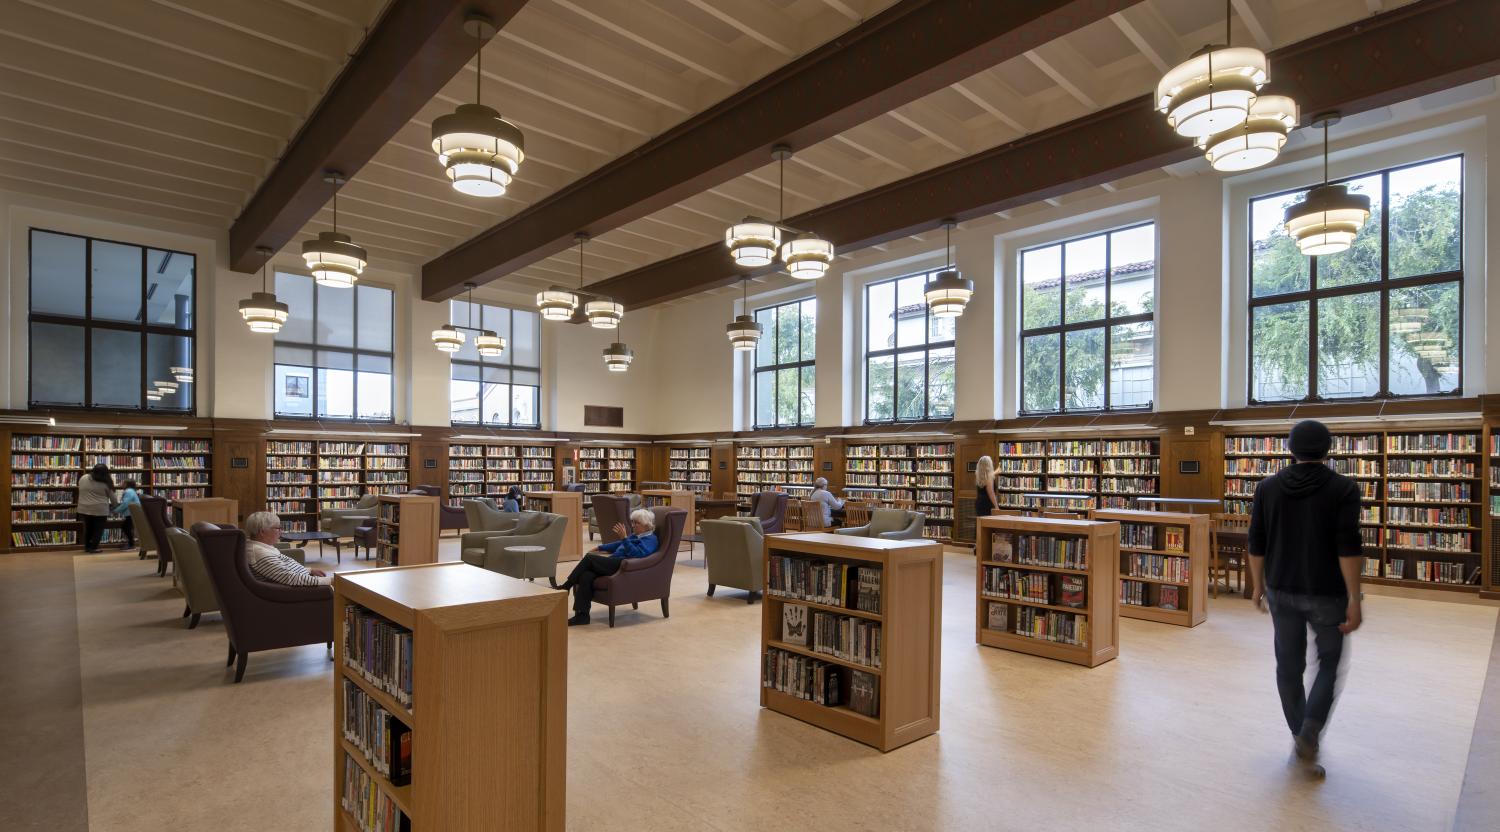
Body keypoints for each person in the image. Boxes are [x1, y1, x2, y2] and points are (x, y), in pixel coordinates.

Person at [1248, 419, 1363, 779]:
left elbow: (1256, 542)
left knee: (1288, 666)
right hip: (1327, 592)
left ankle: (1301, 734)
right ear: (1328, 449)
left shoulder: (1268, 488)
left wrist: (1257, 585)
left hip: (1281, 589)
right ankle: (1310, 729)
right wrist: (1354, 598)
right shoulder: (1343, 488)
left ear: (1289, 448)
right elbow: (1348, 547)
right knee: (1329, 663)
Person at [559, 508, 659, 626]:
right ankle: (582, 616)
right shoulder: (637, 535)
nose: (633, 525)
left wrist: (624, 538)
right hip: (615, 561)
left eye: (636, 523)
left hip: (624, 566)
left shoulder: (651, 539)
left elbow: (638, 554)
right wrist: (601, 547)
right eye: (632, 522)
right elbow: (618, 544)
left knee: (590, 558)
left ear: (647, 525)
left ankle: (566, 586)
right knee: (586, 576)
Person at [243, 511, 332, 587]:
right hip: (297, 590)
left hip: (302, 580)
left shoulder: (262, 547)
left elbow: (283, 570)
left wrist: (309, 570)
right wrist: (329, 581)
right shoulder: (259, 553)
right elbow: (290, 578)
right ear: (262, 532)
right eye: (278, 528)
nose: (281, 531)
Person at [77, 463, 114, 553]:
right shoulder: (106, 483)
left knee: (88, 528)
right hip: (100, 510)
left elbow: (81, 489)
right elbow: (113, 498)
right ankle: (94, 548)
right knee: (98, 529)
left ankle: (87, 547)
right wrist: (115, 507)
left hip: (84, 508)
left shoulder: (83, 477)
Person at [111, 479, 142, 550]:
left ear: (127, 484)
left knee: (126, 527)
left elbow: (125, 503)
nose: (122, 484)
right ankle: (131, 544)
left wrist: (116, 511)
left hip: (132, 513)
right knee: (126, 527)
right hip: (133, 512)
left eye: (123, 483)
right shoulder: (131, 491)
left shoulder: (128, 491)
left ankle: (131, 545)